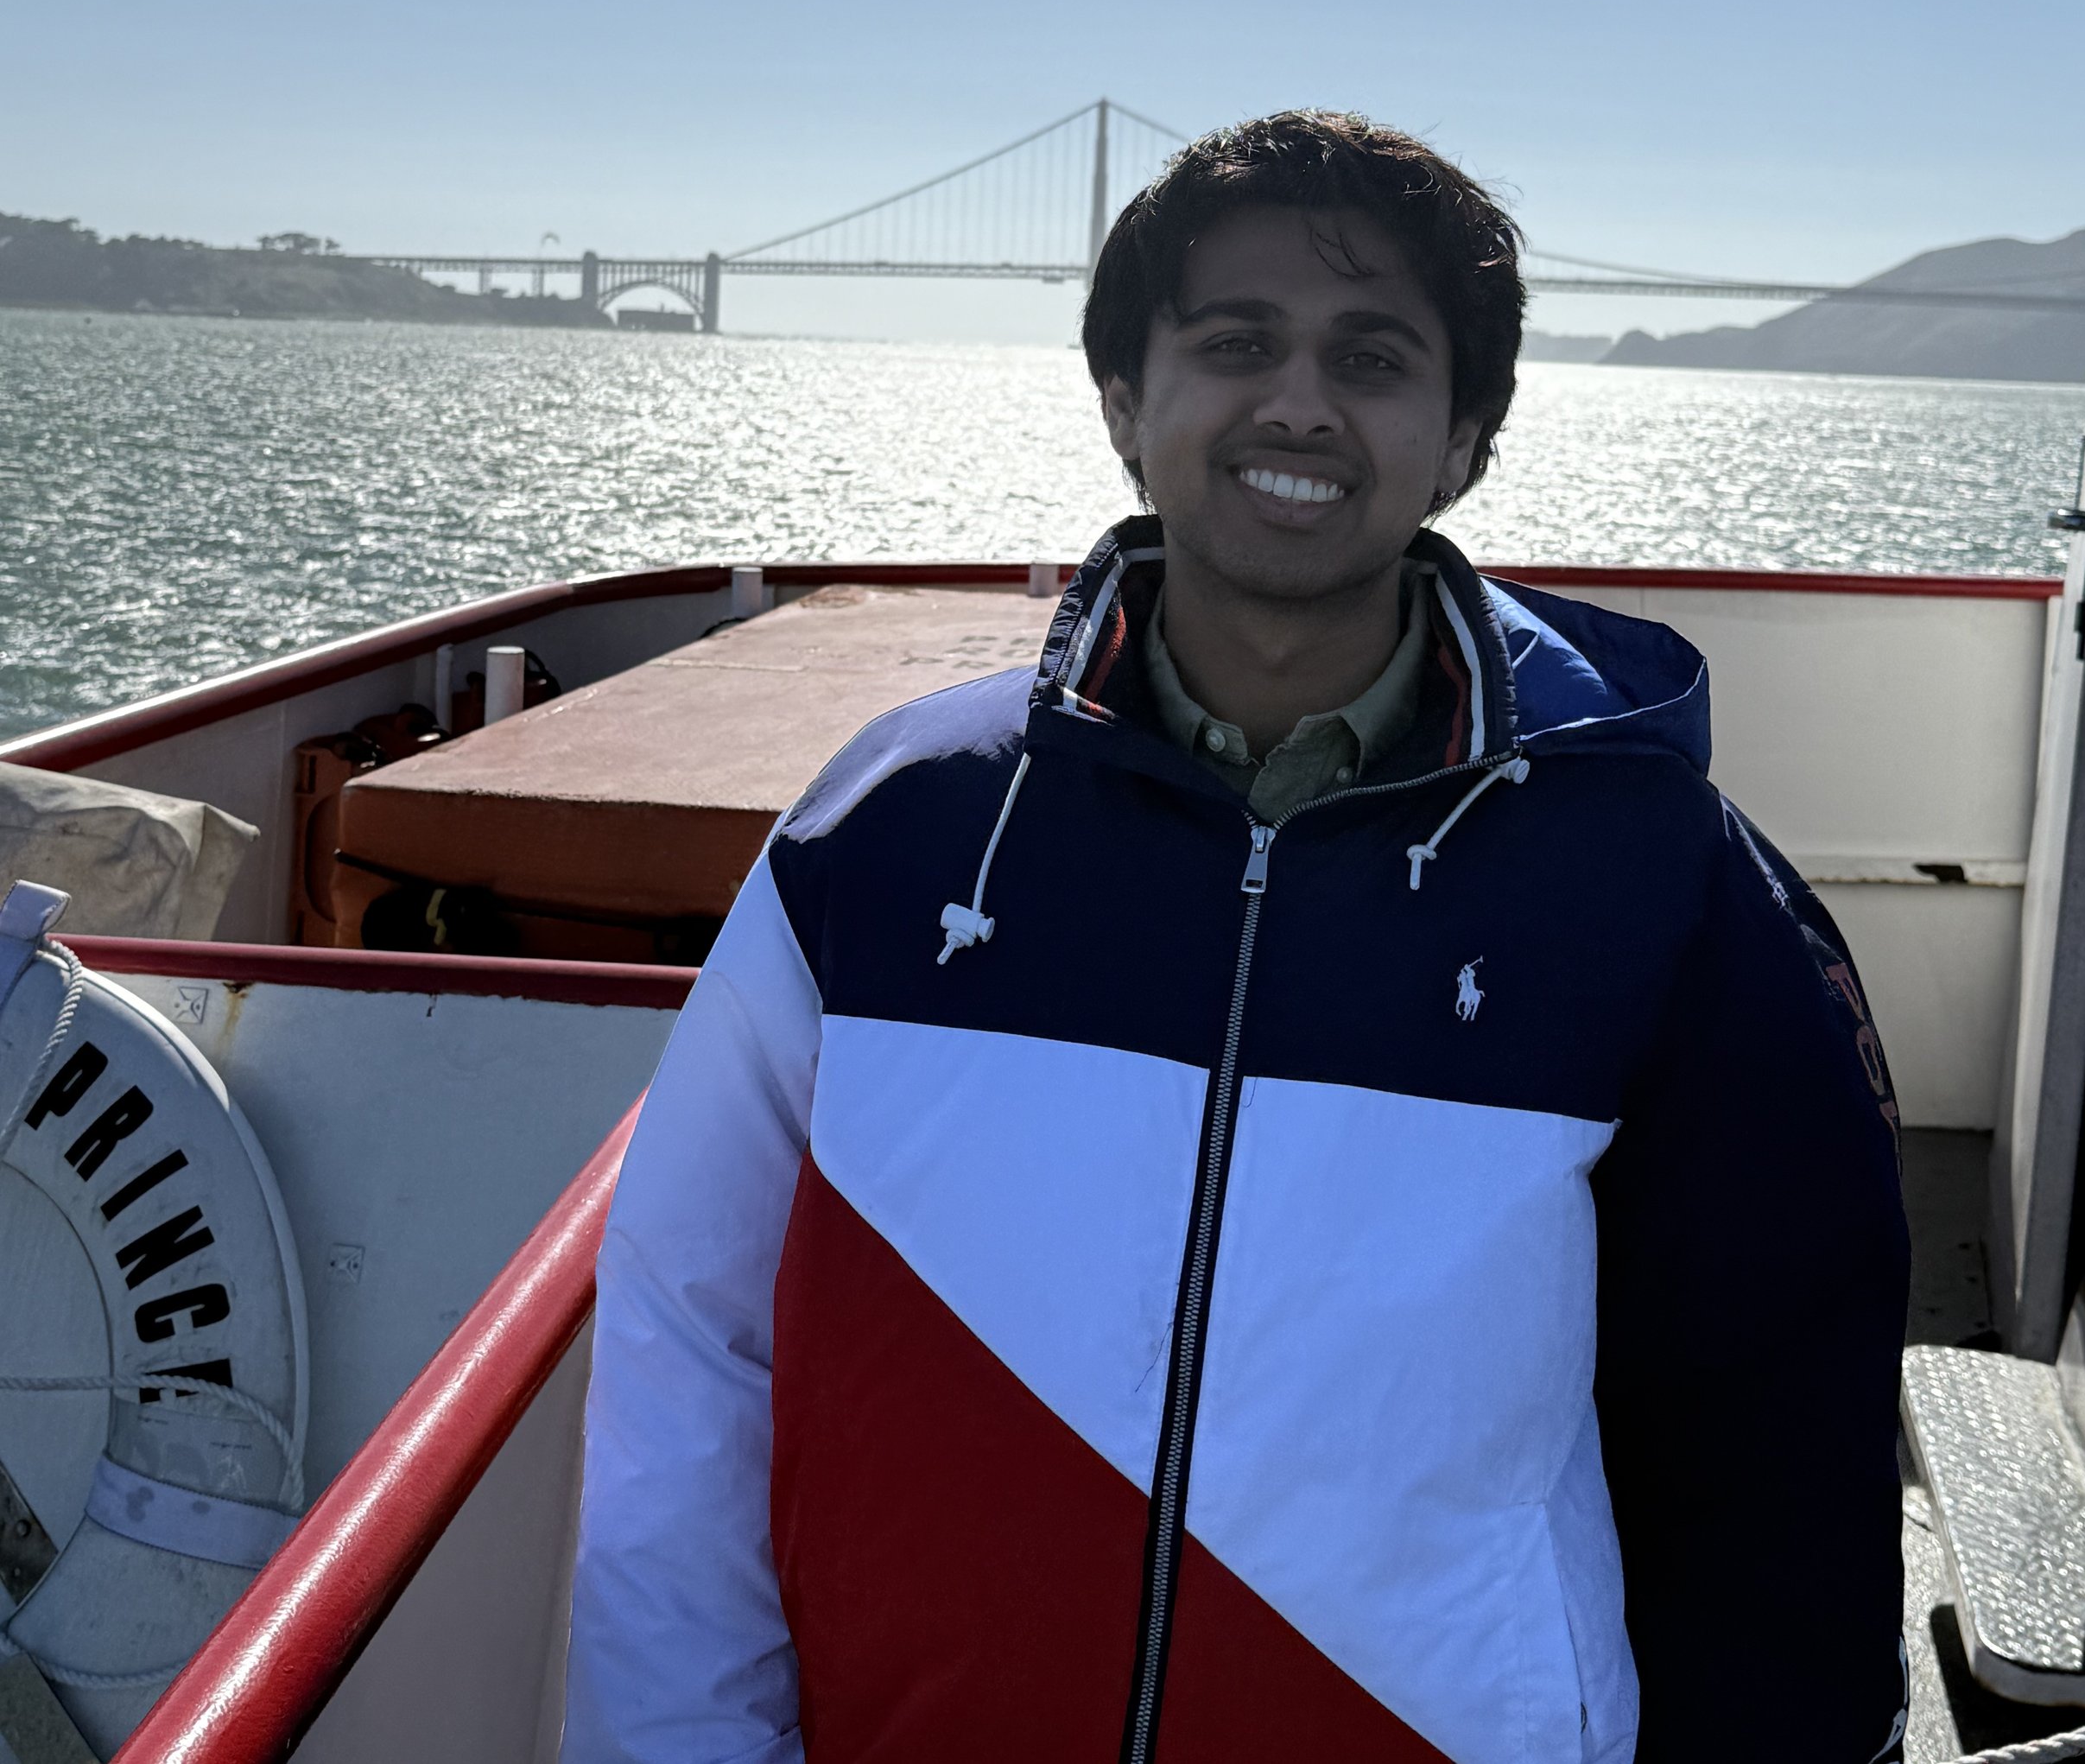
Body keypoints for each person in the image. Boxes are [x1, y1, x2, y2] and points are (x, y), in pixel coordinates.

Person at [561, 111, 1910, 1764]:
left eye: (1373, 355)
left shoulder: (1665, 884)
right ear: (1127, 402)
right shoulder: (886, 830)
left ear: (1465, 436)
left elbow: (1781, 1448)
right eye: (1234, 342)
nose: (1298, 403)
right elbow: (692, 1342)